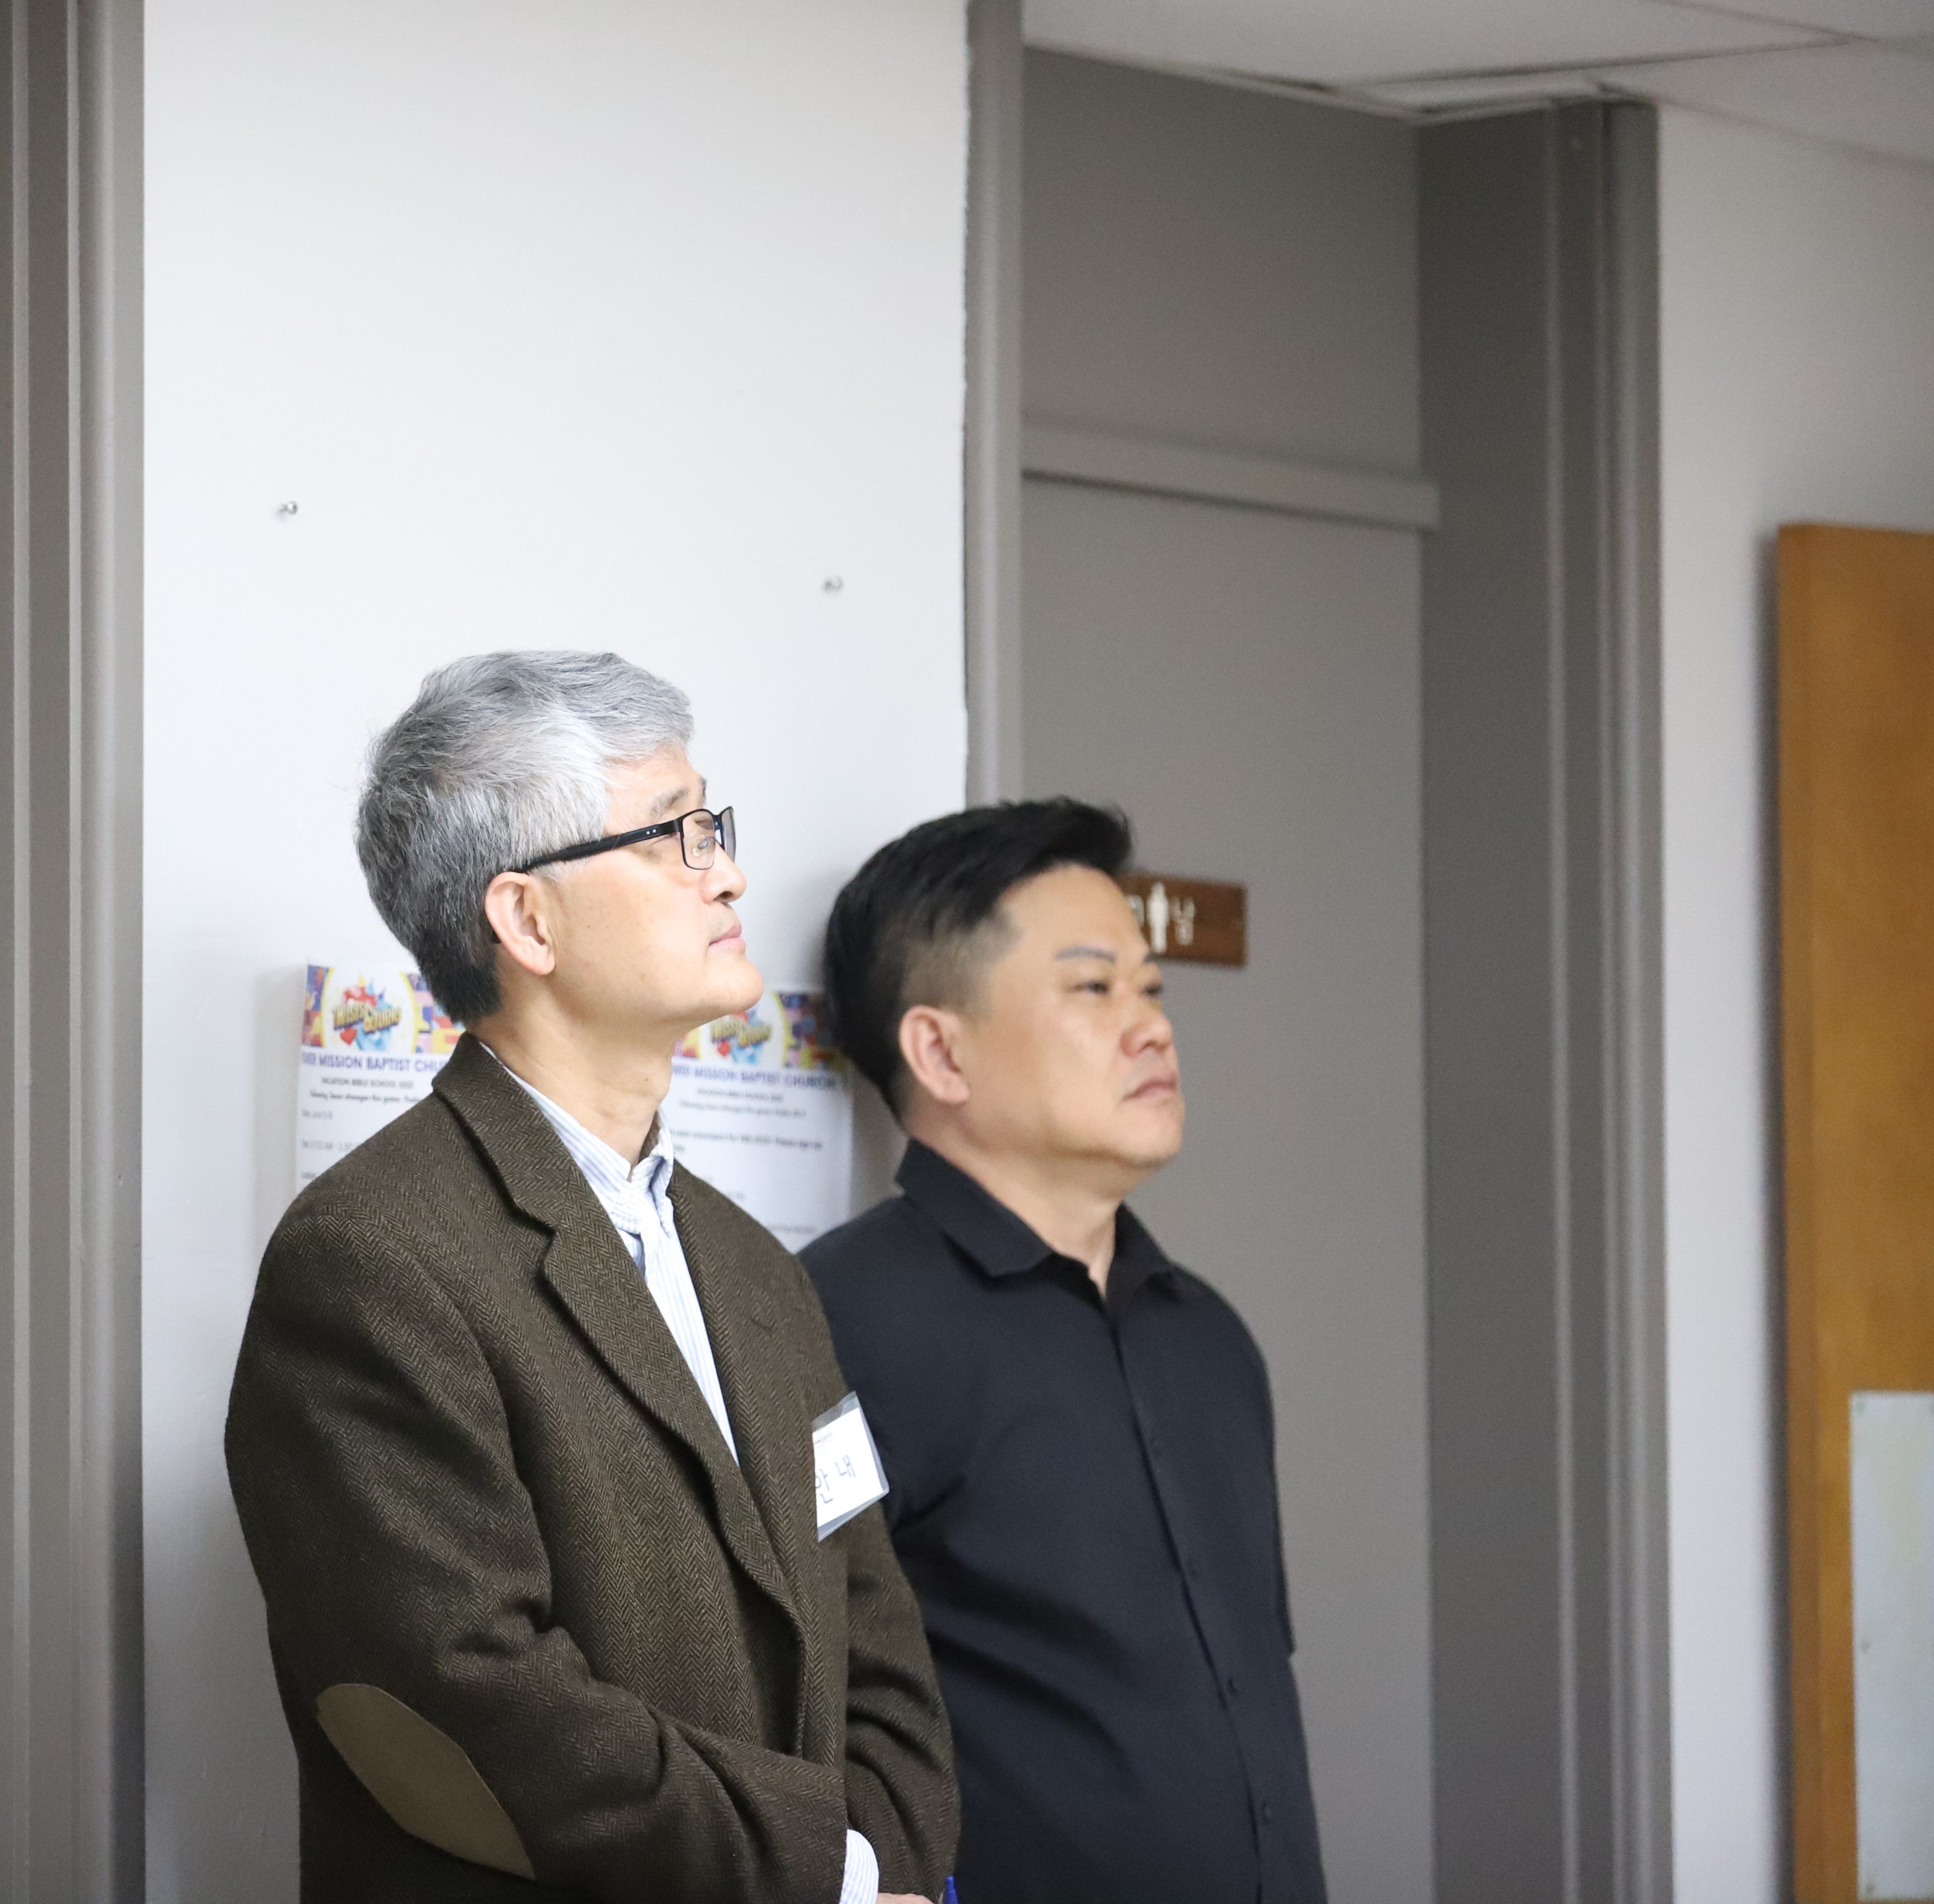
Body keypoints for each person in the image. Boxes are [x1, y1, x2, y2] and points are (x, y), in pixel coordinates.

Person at [226, 652, 957, 1904]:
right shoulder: (368, 1259)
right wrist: (830, 1874)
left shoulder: (755, 1267)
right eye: (676, 835)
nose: (727, 872)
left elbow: (874, 1623)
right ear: (528, 921)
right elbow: (475, 1704)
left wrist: (891, 1858)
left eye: (714, 827)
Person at [803, 800, 1326, 1904]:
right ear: (940, 1050)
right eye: (1094, 989)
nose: (1153, 1029)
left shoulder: (1208, 1337)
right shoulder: (829, 1325)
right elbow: (767, 1700)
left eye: (1153, 989)